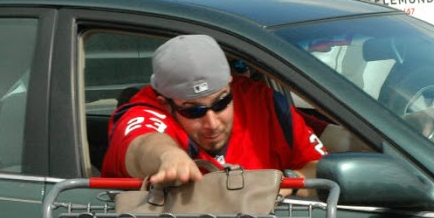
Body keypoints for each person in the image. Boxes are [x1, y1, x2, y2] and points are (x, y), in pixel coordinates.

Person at [102, 34, 327, 186]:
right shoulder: (146, 110)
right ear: (166, 104)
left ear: (231, 85)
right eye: (193, 111)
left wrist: (283, 185)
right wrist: (168, 156)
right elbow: (142, 144)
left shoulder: (261, 101)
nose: (212, 122)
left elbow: (319, 168)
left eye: (221, 103)